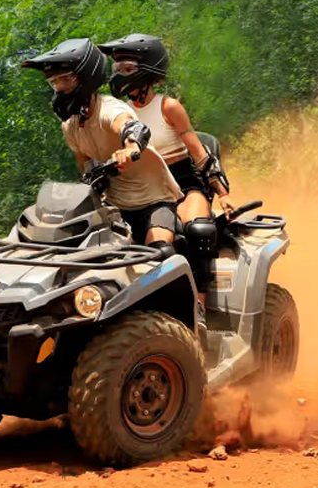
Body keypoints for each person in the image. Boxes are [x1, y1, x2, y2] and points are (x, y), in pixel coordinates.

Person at [98, 33, 235, 315]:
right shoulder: (115, 113)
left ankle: (200, 305)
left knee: (200, 230)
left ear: (148, 72)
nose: (119, 76)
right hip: (142, 189)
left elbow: (199, 153)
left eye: (127, 69)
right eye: (117, 69)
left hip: (183, 183)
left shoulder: (168, 107)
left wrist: (223, 195)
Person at [20, 37, 182, 251]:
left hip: (154, 202)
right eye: (54, 82)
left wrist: (131, 147)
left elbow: (130, 126)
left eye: (66, 79)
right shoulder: (70, 126)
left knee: (159, 254)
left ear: (86, 77)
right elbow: (85, 166)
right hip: (113, 207)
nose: (59, 88)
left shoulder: (109, 109)